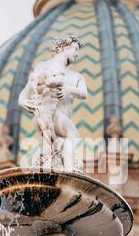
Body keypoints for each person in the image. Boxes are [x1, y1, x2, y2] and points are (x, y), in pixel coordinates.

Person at [18, 35, 87, 171]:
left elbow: (84, 93)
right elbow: (27, 90)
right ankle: (69, 172)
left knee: (53, 152)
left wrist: (68, 89)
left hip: (47, 119)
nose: (77, 53)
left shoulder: (72, 75)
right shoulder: (45, 67)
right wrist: (22, 101)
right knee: (72, 134)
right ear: (64, 47)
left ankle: (59, 165)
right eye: (75, 49)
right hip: (50, 115)